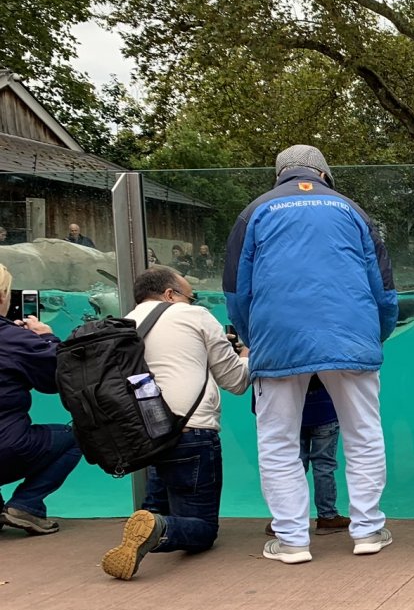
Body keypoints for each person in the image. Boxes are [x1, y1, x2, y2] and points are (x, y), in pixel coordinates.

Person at [224, 144, 398, 564]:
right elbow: (383, 287)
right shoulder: (352, 211)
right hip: (352, 338)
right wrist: (376, 334)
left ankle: (292, 540)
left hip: (278, 339)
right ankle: (368, 531)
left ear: (279, 173)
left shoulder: (255, 212)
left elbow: (236, 291)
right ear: (325, 173)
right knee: (363, 436)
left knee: (278, 442)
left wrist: (255, 338)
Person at [100, 267, 251, 579]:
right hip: (191, 432)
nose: (194, 301)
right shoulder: (193, 316)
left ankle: (149, 525)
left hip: (147, 436)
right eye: (190, 296)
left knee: (154, 509)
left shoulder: (124, 325)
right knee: (203, 529)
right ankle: (158, 528)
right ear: (169, 295)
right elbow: (236, 381)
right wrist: (247, 355)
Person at [0, 263, 82, 534]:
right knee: (79, 436)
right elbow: (58, 375)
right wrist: (47, 338)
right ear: (3, 296)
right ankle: (27, 504)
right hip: (7, 448)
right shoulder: (12, 338)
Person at [263, 378, 349, 537]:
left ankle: (288, 518)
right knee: (324, 466)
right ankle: (327, 516)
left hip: (290, 411)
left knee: (294, 466)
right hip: (325, 407)